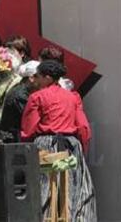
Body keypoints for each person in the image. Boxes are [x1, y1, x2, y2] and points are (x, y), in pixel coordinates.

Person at [21, 60, 97, 221]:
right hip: (70, 147)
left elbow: (28, 129)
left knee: (44, 189)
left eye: (38, 76)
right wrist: (81, 149)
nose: (35, 80)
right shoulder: (72, 97)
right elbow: (83, 127)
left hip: (46, 146)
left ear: (47, 77)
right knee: (75, 189)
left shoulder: (37, 97)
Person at [0, 60, 40, 142]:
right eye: (41, 77)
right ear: (32, 78)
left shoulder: (22, 90)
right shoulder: (20, 95)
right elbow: (30, 116)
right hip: (13, 141)